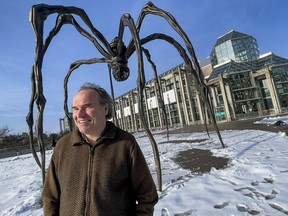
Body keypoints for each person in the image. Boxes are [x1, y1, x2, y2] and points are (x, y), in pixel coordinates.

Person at [42, 82, 158, 215]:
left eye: (87, 107)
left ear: (106, 109)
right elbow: (50, 197)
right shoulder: (63, 146)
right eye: (75, 108)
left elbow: (147, 195)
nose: (79, 114)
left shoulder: (125, 144)